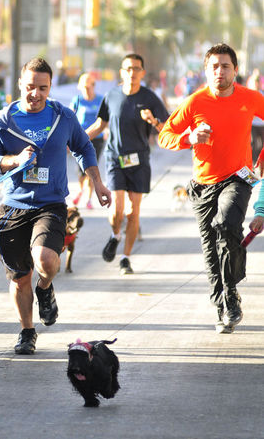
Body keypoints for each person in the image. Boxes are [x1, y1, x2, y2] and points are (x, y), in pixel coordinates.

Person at [0, 57, 112, 355]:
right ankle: (27, 332)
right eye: (30, 87)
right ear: (19, 85)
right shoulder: (3, 120)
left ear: (50, 87)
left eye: (42, 88)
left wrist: (98, 183)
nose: (35, 94)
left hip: (50, 204)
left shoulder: (63, 117)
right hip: (13, 207)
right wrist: (14, 160)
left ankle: (45, 288)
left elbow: (83, 146)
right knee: (20, 277)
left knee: (46, 260)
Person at [159, 43, 264, 334]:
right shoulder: (195, 102)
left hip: (238, 178)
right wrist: (189, 138)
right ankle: (222, 305)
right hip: (203, 185)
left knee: (226, 225)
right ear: (206, 71)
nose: (220, 71)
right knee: (210, 250)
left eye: (225, 66)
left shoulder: (250, 98)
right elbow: (165, 135)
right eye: (214, 66)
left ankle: (230, 293)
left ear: (235, 70)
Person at [86, 53, 168, 275]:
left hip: (139, 160)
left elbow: (167, 128)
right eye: (128, 69)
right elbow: (100, 124)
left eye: (136, 69)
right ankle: (115, 235)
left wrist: (153, 121)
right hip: (115, 158)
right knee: (117, 210)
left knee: (133, 212)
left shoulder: (150, 98)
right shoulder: (111, 96)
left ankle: (125, 258)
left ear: (142, 72)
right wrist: (77, 139)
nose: (132, 73)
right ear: (122, 72)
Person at [70, 72, 104, 209]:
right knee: (80, 170)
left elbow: (104, 119)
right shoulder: (77, 100)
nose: (86, 90)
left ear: (94, 86)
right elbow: (70, 117)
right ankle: (80, 189)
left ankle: (89, 198)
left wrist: (107, 131)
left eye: (89, 87)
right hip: (80, 138)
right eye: (83, 87)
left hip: (97, 139)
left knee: (92, 168)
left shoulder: (100, 100)